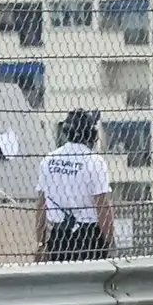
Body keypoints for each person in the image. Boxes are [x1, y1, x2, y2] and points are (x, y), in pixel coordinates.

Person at [37, 110, 111, 261]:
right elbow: (102, 207)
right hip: (89, 237)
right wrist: (110, 242)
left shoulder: (49, 160)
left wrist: (41, 242)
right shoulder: (94, 161)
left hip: (59, 236)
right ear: (91, 134)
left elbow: (41, 205)